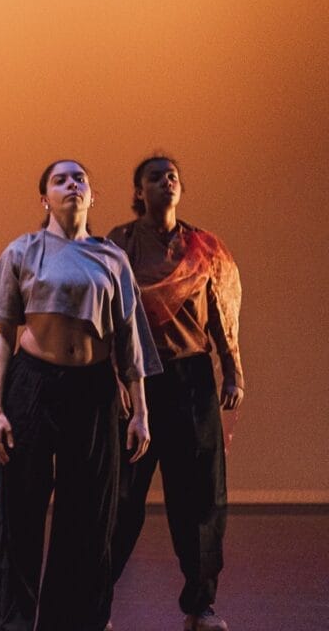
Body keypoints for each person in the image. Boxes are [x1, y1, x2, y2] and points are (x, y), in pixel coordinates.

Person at [0, 160, 159, 631]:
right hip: (33, 384)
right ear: (45, 199)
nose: (72, 184)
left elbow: (129, 341)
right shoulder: (23, 250)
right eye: (60, 180)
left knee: (88, 512)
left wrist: (140, 412)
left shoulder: (111, 258)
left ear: (91, 196)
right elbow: (2, 333)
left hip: (93, 389)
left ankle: (74, 620)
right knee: (22, 506)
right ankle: (10, 620)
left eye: (80, 178)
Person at [105, 156, 243, 631]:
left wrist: (232, 372)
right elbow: (105, 315)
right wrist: (114, 379)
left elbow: (221, 314)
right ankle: (92, 601)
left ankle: (200, 606)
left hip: (191, 381)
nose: (167, 181)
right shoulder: (117, 243)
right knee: (120, 498)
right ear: (138, 190)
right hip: (137, 381)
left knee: (201, 497)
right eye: (155, 176)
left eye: (173, 176)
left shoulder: (203, 246)